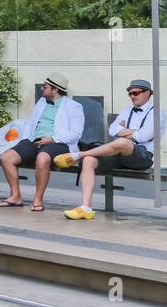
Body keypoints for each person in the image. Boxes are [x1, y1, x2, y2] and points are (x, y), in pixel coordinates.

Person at [58, 79, 163, 220]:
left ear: (148, 93)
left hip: (143, 156)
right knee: (89, 160)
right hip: (118, 153)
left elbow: (144, 135)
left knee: (122, 142)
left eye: (136, 93)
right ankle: (85, 208)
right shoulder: (127, 110)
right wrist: (131, 132)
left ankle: (78, 154)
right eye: (130, 93)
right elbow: (112, 129)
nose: (132, 96)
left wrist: (125, 131)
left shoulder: (158, 113)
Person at [0, 73, 84, 212]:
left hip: (59, 143)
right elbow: (30, 123)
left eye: (45, 87)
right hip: (34, 140)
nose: (41, 89)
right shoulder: (41, 102)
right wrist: (25, 140)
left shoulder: (74, 106)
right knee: (6, 157)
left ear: (55, 89)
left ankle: (38, 200)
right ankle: (15, 196)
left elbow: (76, 134)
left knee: (42, 159)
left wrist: (53, 139)